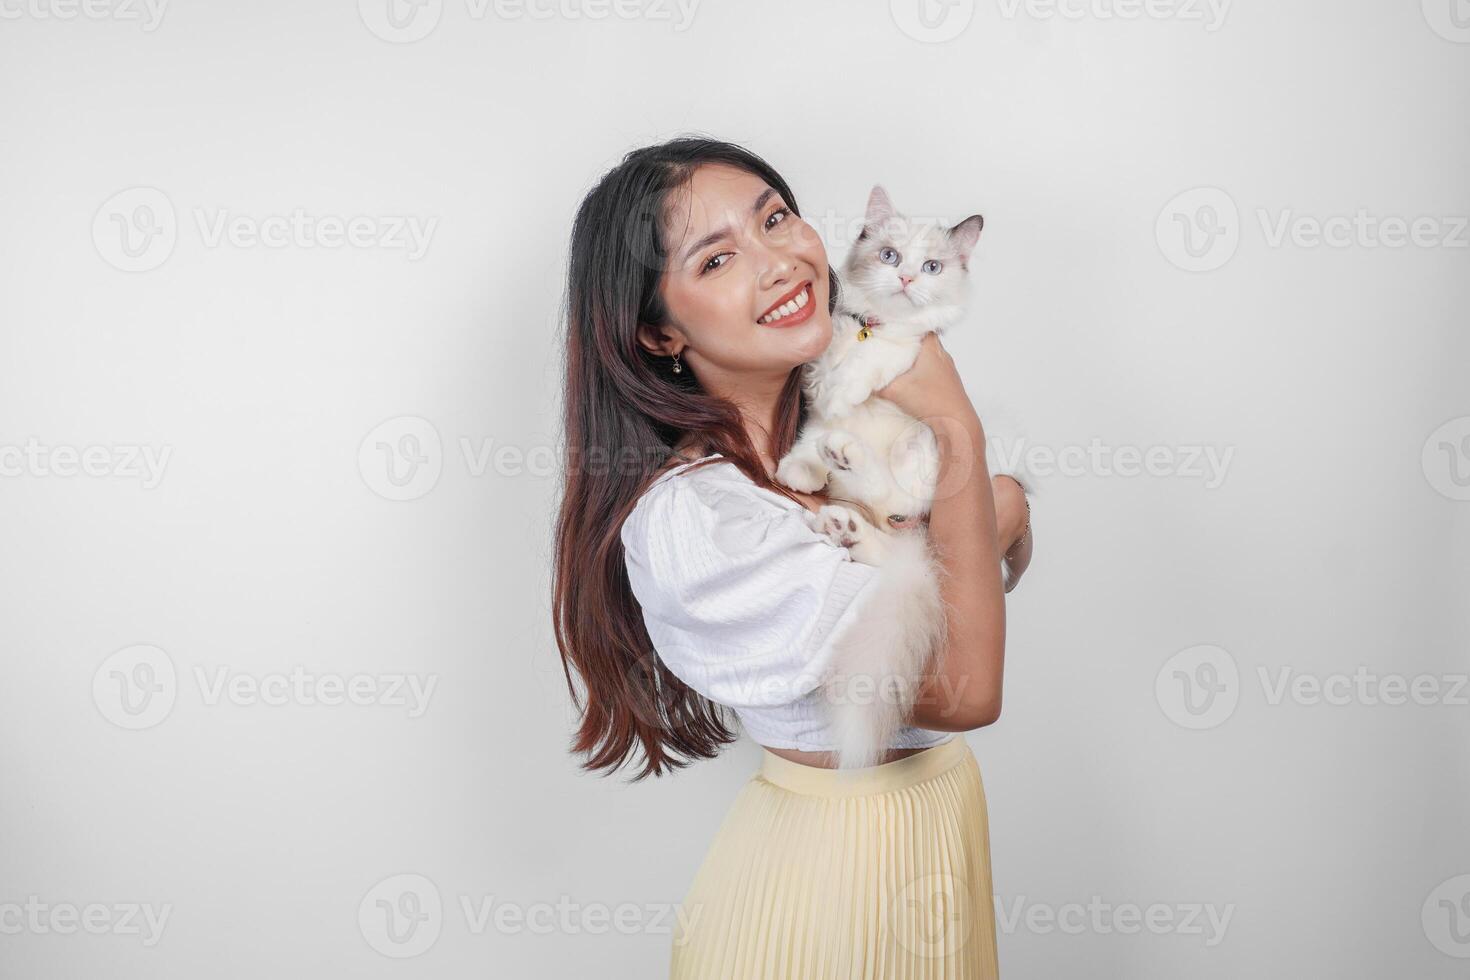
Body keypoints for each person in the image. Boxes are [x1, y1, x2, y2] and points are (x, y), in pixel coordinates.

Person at [552, 136, 1033, 978]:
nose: (780, 262)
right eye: (717, 259)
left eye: (776, 218)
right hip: (820, 899)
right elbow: (965, 685)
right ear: (659, 331)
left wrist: (976, 519)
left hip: (938, 854)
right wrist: (962, 436)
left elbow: (969, 558)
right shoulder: (700, 521)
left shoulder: (840, 431)